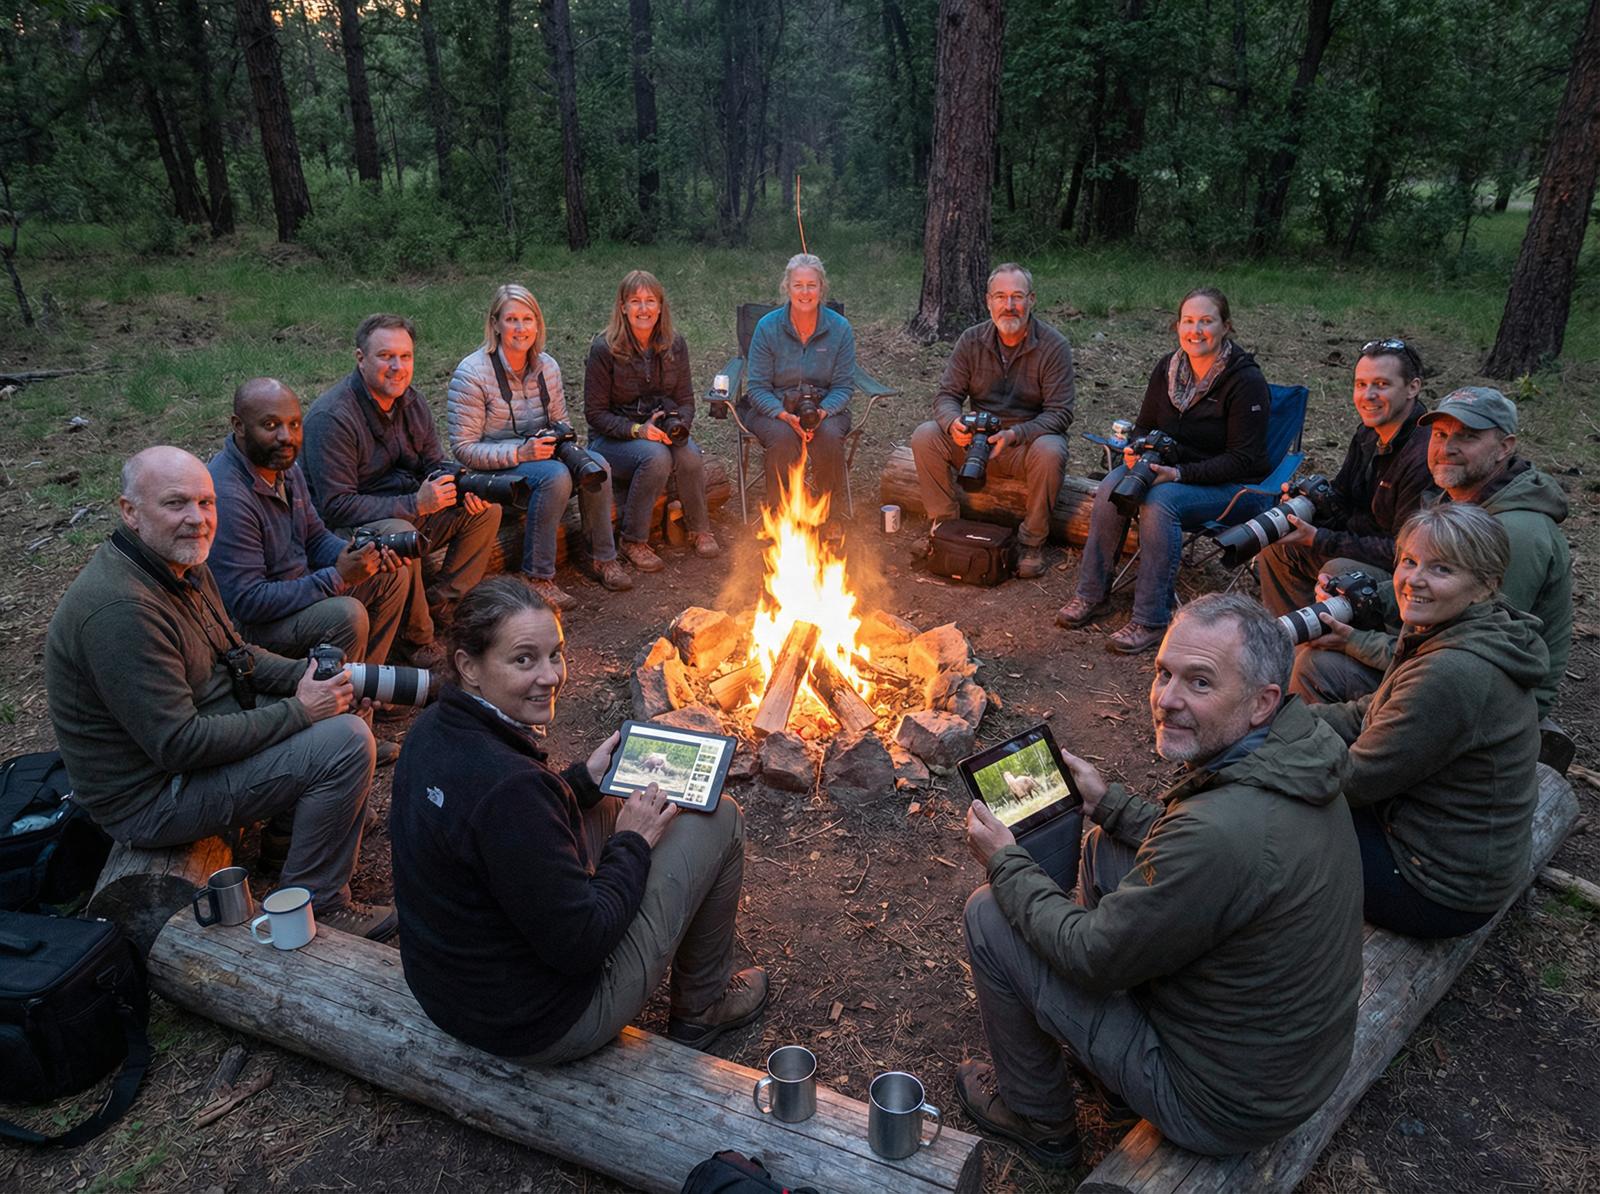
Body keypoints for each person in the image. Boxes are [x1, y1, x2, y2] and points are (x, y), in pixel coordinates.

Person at [957, 594, 1362, 1165]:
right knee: (1107, 848)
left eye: (1200, 683)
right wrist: (1108, 802)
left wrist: (1005, 859)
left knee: (989, 913)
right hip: (1280, 1063)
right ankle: (1115, 1077)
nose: (1166, 699)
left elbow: (1091, 953)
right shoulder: (1298, 758)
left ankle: (1039, 1122)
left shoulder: (1221, 833)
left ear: (1260, 702)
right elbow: (1198, 853)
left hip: (1222, 1103)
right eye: (1164, 673)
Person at [389, 576, 768, 1061]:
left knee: (608, 799)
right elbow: (583, 943)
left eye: (555, 654)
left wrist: (581, 782)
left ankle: (609, 813)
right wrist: (630, 843)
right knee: (719, 819)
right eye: (523, 659)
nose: (550, 676)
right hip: (541, 1021)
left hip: (451, 992)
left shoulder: (431, 732)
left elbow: (506, 832)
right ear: (469, 666)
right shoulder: (511, 790)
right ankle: (704, 1007)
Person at [44, 446, 396, 939]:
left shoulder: (179, 566)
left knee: (335, 715)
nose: (197, 519)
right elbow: (178, 745)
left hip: (197, 739)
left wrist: (313, 679)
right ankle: (321, 903)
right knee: (346, 743)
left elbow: (238, 654)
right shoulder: (122, 611)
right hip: (150, 798)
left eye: (206, 503)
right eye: (176, 504)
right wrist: (301, 709)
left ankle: (288, 836)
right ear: (130, 512)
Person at [1311, 505, 1545, 939]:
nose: (1413, 580)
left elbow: (1354, 783)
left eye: (1441, 568)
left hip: (1437, 887)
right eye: (1409, 561)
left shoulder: (1452, 672)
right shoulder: (1451, 626)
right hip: (1443, 844)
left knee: (1269, 823)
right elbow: (1368, 712)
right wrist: (1278, 719)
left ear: (1484, 586)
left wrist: (1257, 754)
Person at [1292, 387, 1572, 717]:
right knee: (1342, 578)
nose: (1446, 448)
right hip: (1455, 650)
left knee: (1318, 666)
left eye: (1467, 437)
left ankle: (1337, 755)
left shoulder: (1515, 535)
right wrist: (1357, 598)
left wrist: (1355, 642)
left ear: (1504, 448)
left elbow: (1472, 646)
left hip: (1494, 697)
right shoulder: (1461, 496)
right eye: (1439, 434)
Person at [1057, 288, 1273, 653]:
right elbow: (1144, 425)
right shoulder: (1168, 368)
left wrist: (1178, 475)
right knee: (1113, 487)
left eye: (1206, 321)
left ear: (1226, 327)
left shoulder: (1245, 381)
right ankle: (1092, 594)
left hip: (1234, 487)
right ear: (1178, 326)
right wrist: (1135, 451)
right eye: (1188, 321)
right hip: (1168, 465)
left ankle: (1151, 619)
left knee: (1160, 502)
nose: (1196, 330)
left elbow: (1243, 460)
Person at [302, 313, 502, 657]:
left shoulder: (411, 400)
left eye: (405, 357)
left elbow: (433, 463)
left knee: (485, 510)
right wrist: (415, 505)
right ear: (361, 359)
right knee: (399, 533)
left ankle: (444, 607)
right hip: (348, 529)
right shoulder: (332, 417)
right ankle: (417, 640)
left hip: (408, 503)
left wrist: (465, 485)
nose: (397, 367)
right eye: (385, 356)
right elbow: (335, 505)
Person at [447, 284, 630, 612]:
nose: (520, 328)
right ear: (496, 324)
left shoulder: (547, 366)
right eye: (512, 319)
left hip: (541, 457)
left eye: (527, 319)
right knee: (556, 475)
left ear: (538, 324)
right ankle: (537, 576)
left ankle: (604, 557)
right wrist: (521, 453)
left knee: (597, 464)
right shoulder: (472, 372)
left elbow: (561, 423)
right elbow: (463, 448)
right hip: (494, 472)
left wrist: (563, 446)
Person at [209, 378, 412, 669]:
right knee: (347, 614)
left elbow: (315, 537)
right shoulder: (229, 495)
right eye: (270, 426)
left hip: (300, 589)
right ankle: (336, 700)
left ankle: (368, 681)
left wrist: (352, 555)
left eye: (294, 424)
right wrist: (338, 576)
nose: (286, 437)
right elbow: (247, 601)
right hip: (256, 625)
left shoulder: (285, 468)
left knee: (390, 573)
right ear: (238, 426)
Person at [910, 263, 1075, 578]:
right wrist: (953, 424)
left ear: (1032, 300)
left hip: (1022, 445)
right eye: (1001, 297)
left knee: (1052, 450)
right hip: (976, 442)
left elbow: (1060, 413)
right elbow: (946, 395)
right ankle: (943, 524)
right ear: (988, 301)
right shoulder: (971, 340)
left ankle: (1031, 542)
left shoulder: (1054, 346)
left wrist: (1015, 435)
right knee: (926, 434)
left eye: (1017, 297)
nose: (1009, 306)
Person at [1256, 338, 1435, 617]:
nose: (1368, 395)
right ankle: (1291, 639)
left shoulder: (1422, 455)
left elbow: (1405, 552)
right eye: (1361, 385)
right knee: (1276, 549)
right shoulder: (1368, 432)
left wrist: (1319, 538)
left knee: (1338, 571)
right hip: (1357, 542)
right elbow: (1342, 497)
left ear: (1413, 387)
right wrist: (1307, 504)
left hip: (1402, 570)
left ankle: (1328, 646)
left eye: (1382, 384)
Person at [583, 270, 720, 569]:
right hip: (612, 438)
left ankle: (699, 528)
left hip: (660, 430)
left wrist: (677, 426)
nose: (643, 309)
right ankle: (633, 540)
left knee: (690, 456)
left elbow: (686, 399)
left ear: (660, 306)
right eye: (635, 301)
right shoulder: (604, 349)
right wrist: (637, 430)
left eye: (650, 301)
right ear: (622, 307)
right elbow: (594, 414)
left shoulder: (674, 344)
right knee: (656, 457)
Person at [742, 253, 856, 520]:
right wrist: (784, 415)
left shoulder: (840, 329)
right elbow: (757, 387)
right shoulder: (767, 327)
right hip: (774, 408)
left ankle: (830, 516)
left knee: (828, 437)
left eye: (811, 285)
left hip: (824, 407)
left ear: (821, 288)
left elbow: (843, 386)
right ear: (787, 287)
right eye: (798, 285)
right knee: (782, 439)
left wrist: (823, 413)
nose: (805, 292)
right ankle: (781, 519)